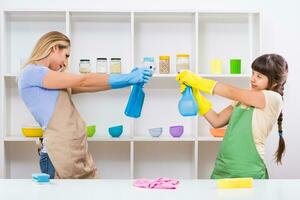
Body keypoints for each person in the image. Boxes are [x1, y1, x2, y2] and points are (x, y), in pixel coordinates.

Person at [18, 31, 152, 179]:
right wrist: (128, 78)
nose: (65, 63)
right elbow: (84, 81)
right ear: (55, 47)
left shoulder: (51, 77)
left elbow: (88, 86)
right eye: (66, 55)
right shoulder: (31, 73)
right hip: (58, 154)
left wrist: (127, 79)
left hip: (75, 151)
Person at [176, 54, 288, 179]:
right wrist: (197, 96)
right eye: (253, 73)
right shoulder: (243, 99)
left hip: (248, 169)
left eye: (259, 76)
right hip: (224, 167)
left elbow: (231, 92)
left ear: (275, 83)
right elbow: (216, 120)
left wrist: (199, 82)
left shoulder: (272, 98)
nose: (253, 79)